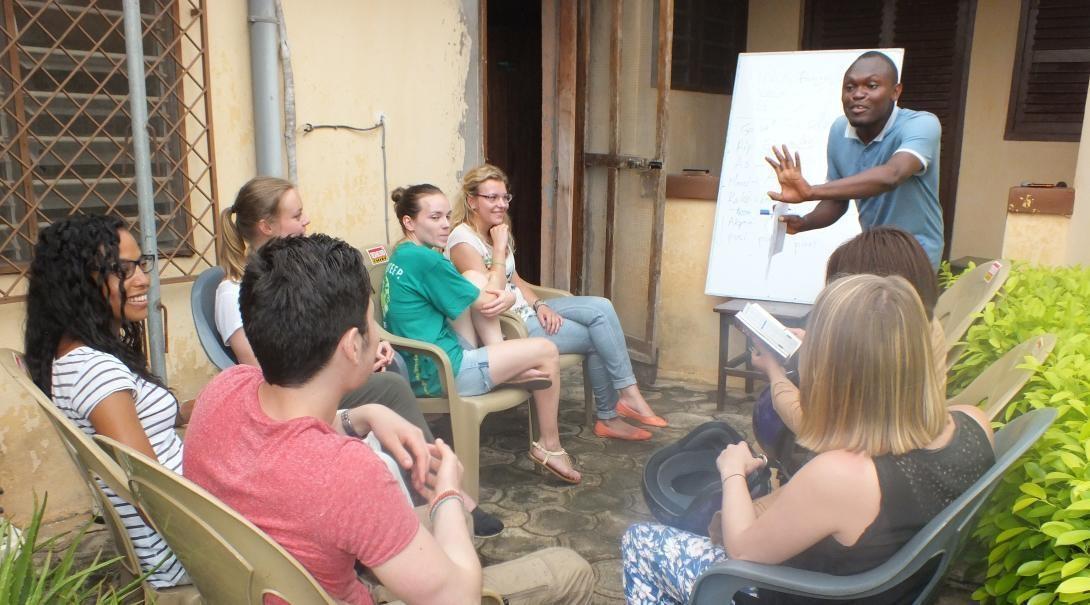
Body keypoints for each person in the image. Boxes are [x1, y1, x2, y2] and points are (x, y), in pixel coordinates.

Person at [183, 234, 594, 604]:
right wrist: (448, 493)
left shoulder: (223, 391)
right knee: (569, 569)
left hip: (276, 582)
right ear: (351, 345)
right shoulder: (348, 474)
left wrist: (361, 415)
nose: (378, 336)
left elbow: (281, 435)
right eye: (371, 322)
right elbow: (458, 600)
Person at [622, 274, 995, 605]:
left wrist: (732, 471)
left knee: (640, 542)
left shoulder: (844, 476)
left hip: (801, 590)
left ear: (837, 376)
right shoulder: (975, 425)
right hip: (890, 589)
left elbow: (742, 548)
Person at [217, 176, 503, 536]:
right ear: (267, 225)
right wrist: (353, 357)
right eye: (297, 215)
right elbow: (266, 371)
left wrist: (373, 341)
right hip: (295, 392)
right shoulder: (234, 292)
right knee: (391, 387)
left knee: (392, 380)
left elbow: (327, 325)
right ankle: (439, 497)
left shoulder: (292, 272)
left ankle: (432, 492)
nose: (306, 221)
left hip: (317, 374)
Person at [23, 214, 189, 588]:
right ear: (79, 283)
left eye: (140, 264)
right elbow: (152, 494)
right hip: (184, 554)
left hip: (179, 541)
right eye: (121, 269)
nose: (142, 278)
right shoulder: (97, 372)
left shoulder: (73, 356)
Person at [447, 164, 666, 441]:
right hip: (508, 324)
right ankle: (610, 416)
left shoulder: (496, 229)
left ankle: (628, 394)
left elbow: (517, 280)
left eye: (505, 197)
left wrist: (541, 305)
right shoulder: (462, 241)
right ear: (472, 201)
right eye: (492, 197)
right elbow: (491, 296)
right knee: (597, 335)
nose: (501, 204)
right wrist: (500, 247)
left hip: (526, 310)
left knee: (602, 307)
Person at [382, 184, 581, 484]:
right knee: (546, 351)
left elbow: (476, 293)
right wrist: (510, 292)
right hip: (443, 371)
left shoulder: (405, 253)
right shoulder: (428, 260)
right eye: (435, 217)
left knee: (474, 277)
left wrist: (494, 290)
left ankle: (503, 365)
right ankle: (549, 446)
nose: (446, 224)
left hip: (424, 360)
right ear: (409, 222)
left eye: (447, 216)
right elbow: (492, 300)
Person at [751, 226, 946, 471]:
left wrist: (773, 371)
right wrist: (810, 343)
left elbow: (817, 428)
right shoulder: (922, 329)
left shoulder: (850, 470)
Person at [766, 50, 945, 268]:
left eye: (871, 86)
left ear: (895, 91)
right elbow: (837, 199)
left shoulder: (921, 124)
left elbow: (892, 175)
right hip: (873, 249)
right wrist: (805, 223)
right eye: (850, 87)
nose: (857, 94)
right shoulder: (839, 130)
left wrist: (811, 191)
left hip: (916, 252)